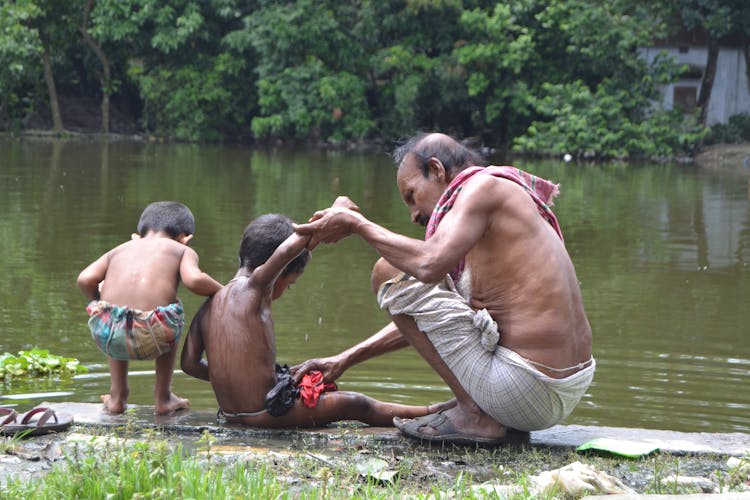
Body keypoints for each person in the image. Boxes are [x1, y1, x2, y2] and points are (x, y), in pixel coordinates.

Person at [292, 132, 595, 445]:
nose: (414, 216)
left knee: (388, 272)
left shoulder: (482, 188)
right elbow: (432, 320)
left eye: (411, 196)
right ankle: (480, 410)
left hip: (527, 386)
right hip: (562, 387)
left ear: (436, 171)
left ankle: (476, 414)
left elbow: (428, 265)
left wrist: (357, 225)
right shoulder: (504, 195)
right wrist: (345, 359)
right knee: (407, 281)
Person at [180, 213, 449, 427]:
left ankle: (431, 411)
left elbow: (189, 364)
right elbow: (286, 252)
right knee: (354, 404)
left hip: (230, 414)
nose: (286, 291)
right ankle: (431, 412)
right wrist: (334, 212)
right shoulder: (256, 287)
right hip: (266, 414)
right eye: (291, 284)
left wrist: (233, 382)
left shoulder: (208, 306)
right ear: (278, 273)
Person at [77, 201, 222, 415]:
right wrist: (226, 291)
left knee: (117, 312)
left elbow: (85, 279)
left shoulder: (118, 250)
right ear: (185, 238)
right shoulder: (180, 249)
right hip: (156, 335)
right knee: (172, 308)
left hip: (107, 333)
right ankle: (163, 397)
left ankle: (117, 397)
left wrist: (100, 303)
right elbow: (194, 281)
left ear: (137, 235)